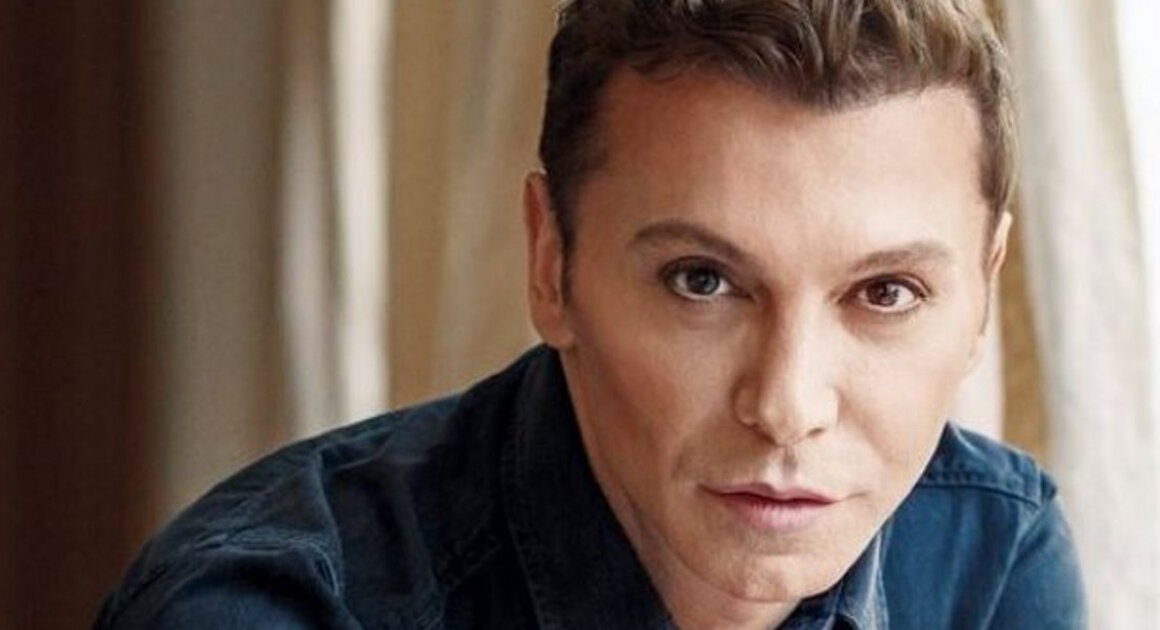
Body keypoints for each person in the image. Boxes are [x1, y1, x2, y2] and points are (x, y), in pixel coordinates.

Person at [95, 1, 1086, 628]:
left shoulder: (990, 557)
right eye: (701, 281)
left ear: (982, 291)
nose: (788, 407)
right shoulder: (267, 611)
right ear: (551, 264)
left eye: (885, 293)